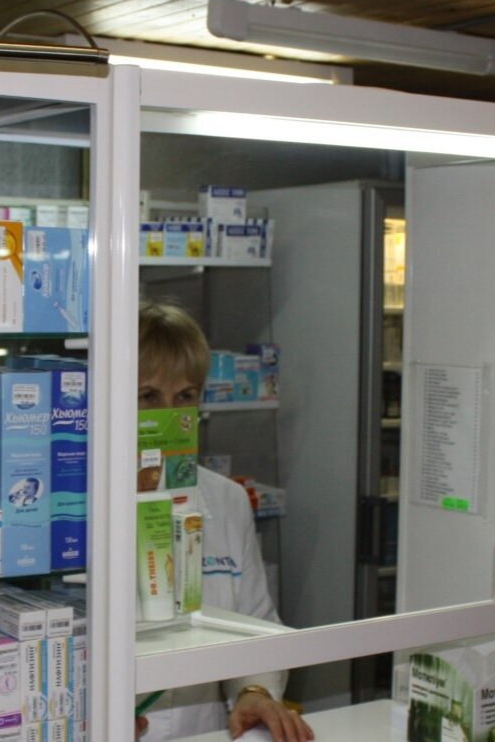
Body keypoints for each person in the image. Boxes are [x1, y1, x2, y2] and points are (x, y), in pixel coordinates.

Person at [136, 300, 314, 742]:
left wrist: (253, 691)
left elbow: (255, 622)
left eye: (185, 396)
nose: (169, 413)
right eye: (148, 396)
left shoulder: (226, 500)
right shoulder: (80, 508)